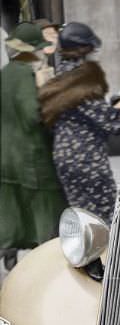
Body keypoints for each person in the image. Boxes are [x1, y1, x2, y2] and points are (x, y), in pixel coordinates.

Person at [38, 22, 120, 225]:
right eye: (93, 49)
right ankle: (106, 257)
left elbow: (83, 110)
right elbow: (109, 121)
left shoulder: (61, 75)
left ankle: (88, 255)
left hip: (66, 156)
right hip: (86, 158)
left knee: (82, 218)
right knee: (106, 219)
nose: (95, 53)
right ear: (83, 50)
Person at [0, 22, 68, 273]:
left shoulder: (4, 74)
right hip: (30, 154)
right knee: (46, 204)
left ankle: (9, 248)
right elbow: (33, 115)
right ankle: (46, 255)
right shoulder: (25, 76)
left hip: (6, 154)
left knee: (13, 204)